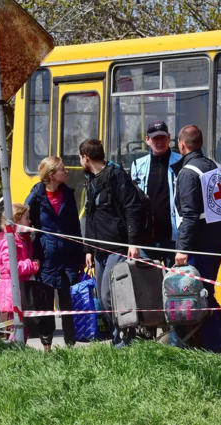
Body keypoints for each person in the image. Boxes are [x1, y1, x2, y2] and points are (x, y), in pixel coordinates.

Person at [172, 125, 221, 359]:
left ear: (182, 145)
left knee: (203, 297)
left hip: (199, 244)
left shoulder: (188, 172)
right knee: (207, 295)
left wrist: (182, 248)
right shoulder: (213, 166)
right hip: (217, 242)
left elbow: (190, 215)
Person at [80, 139, 142, 346]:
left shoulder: (116, 176)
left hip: (118, 246)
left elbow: (132, 209)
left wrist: (133, 243)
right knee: (103, 297)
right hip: (99, 250)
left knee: (109, 297)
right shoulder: (91, 179)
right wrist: (88, 249)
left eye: (81, 158)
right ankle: (120, 340)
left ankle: (125, 341)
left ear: (86, 158)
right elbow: (89, 216)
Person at [26, 156, 84, 351]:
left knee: (67, 304)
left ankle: (70, 346)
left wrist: (81, 255)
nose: (66, 172)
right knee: (45, 306)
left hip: (67, 257)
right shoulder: (35, 196)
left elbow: (75, 227)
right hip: (45, 258)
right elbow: (24, 220)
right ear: (52, 175)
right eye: (62, 169)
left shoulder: (68, 194)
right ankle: (47, 346)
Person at [130, 120, 181, 266]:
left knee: (174, 287)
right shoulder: (137, 165)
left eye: (163, 138)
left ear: (169, 138)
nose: (159, 142)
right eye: (155, 138)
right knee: (148, 286)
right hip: (147, 239)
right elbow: (131, 204)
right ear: (147, 140)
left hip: (174, 238)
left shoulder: (181, 162)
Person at [0, 203, 39, 343]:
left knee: (21, 327)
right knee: (15, 328)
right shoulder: (8, 242)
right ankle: (15, 353)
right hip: (12, 291)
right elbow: (12, 267)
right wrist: (33, 265)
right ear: (16, 220)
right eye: (27, 218)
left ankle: (19, 351)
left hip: (18, 289)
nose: (29, 222)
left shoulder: (20, 239)